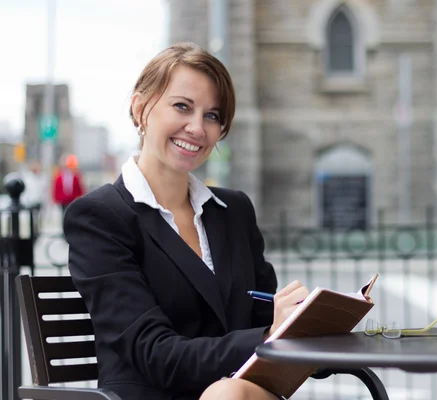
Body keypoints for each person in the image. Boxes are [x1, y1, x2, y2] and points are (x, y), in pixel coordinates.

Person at [63, 42, 309, 400]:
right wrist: (267, 336)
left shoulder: (234, 211)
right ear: (141, 108)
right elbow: (155, 353)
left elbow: (263, 317)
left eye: (212, 115)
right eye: (182, 106)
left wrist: (303, 323)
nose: (197, 128)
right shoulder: (100, 218)